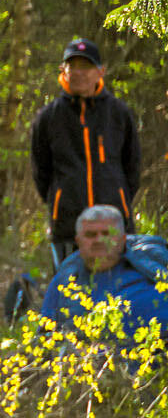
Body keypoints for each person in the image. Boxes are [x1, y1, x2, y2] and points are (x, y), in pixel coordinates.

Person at [31, 38, 142, 265]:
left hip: (114, 225)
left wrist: (118, 198)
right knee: (69, 284)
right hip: (67, 227)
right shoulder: (49, 117)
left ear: (101, 71)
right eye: (73, 66)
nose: (79, 73)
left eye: (86, 66)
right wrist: (60, 200)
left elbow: (132, 167)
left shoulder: (119, 113)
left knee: (117, 285)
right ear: (63, 71)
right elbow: (41, 172)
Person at [38, 206, 168, 338]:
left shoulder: (153, 265)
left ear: (123, 239)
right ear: (78, 241)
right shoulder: (66, 278)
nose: (99, 240)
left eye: (107, 233)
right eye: (90, 235)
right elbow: (46, 335)